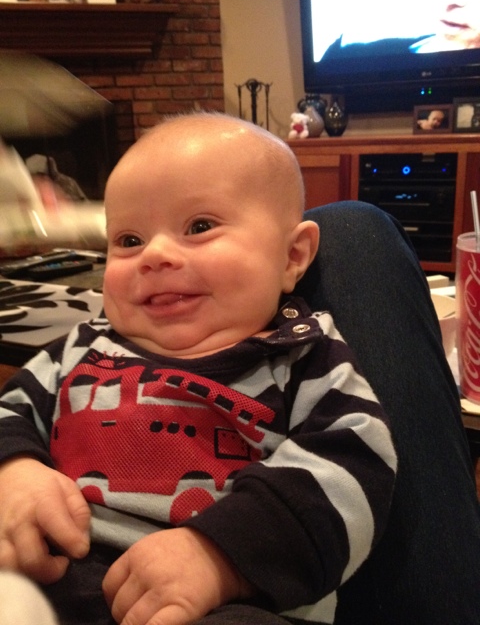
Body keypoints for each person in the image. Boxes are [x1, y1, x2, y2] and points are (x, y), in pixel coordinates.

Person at [0, 113, 397, 625]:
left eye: (200, 227)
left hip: (223, 603)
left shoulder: (302, 357)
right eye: (128, 240)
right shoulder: (81, 348)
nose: (155, 255)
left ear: (292, 256)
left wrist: (220, 556)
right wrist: (15, 471)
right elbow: (8, 411)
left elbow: (353, 472)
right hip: (43, 576)